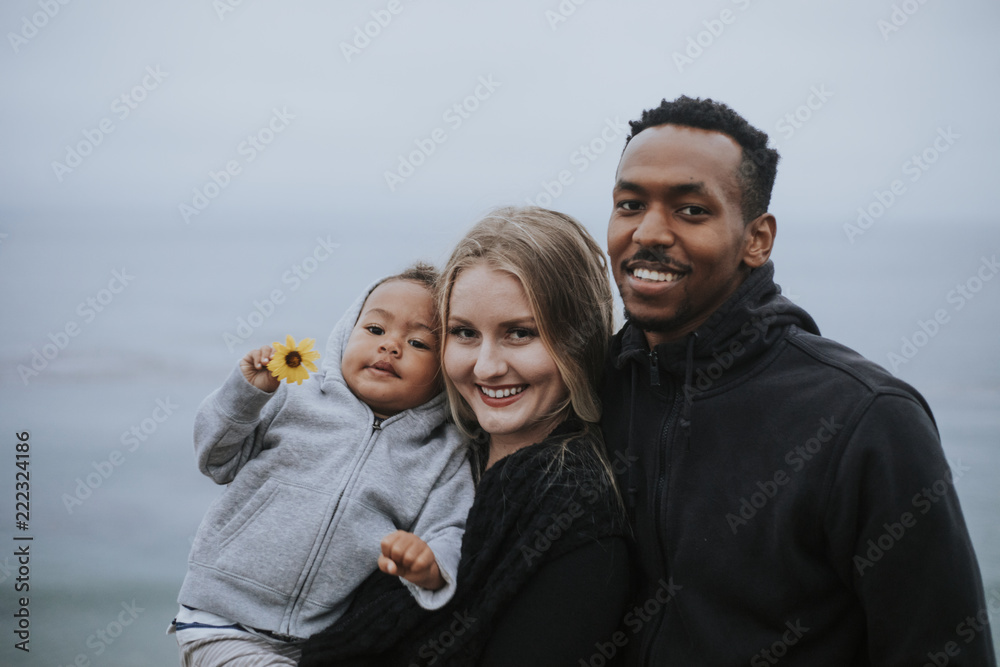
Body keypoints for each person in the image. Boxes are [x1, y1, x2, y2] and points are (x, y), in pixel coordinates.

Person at [600, 95, 996, 665]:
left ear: (757, 239)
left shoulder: (866, 419)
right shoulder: (585, 390)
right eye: (630, 204)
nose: (650, 232)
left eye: (692, 210)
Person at [300, 206, 631, 667]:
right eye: (464, 333)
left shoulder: (577, 516)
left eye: (519, 333)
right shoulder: (431, 458)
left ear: (579, 338)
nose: (486, 367)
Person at [170, 264, 475, 666]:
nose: (391, 347)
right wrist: (245, 397)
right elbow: (215, 460)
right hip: (222, 617)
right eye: (375, 330)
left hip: (318, 640)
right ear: (347, 331)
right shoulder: (295, 398)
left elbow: (450, 525)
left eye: (419, 343)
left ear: (445, 371)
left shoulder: (442, 451)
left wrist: (430, 566)